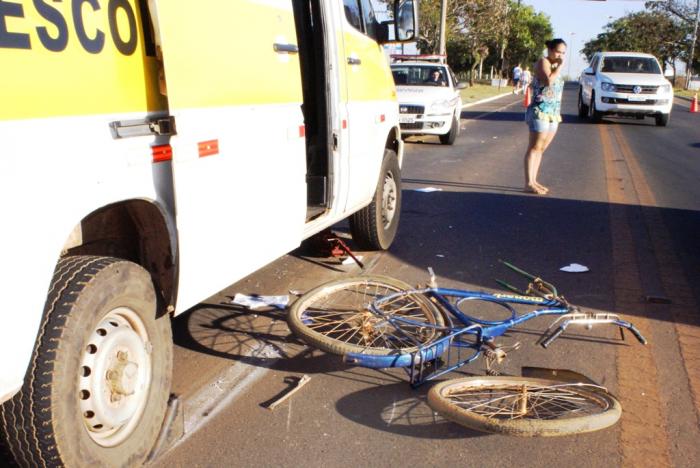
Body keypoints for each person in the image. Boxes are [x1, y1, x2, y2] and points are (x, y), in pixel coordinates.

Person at [522, 39, 566, 195]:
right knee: (534, 147)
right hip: (540, 110)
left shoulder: (554, 66)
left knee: (541, 149)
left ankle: (534, 180)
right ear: (550, 49)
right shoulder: (543, 62)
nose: (560, 55)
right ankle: (528, 183)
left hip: (553, 112)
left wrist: (558, 66)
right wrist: (559, 66)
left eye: (562, 53)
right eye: (558, 51)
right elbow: (548, 81)